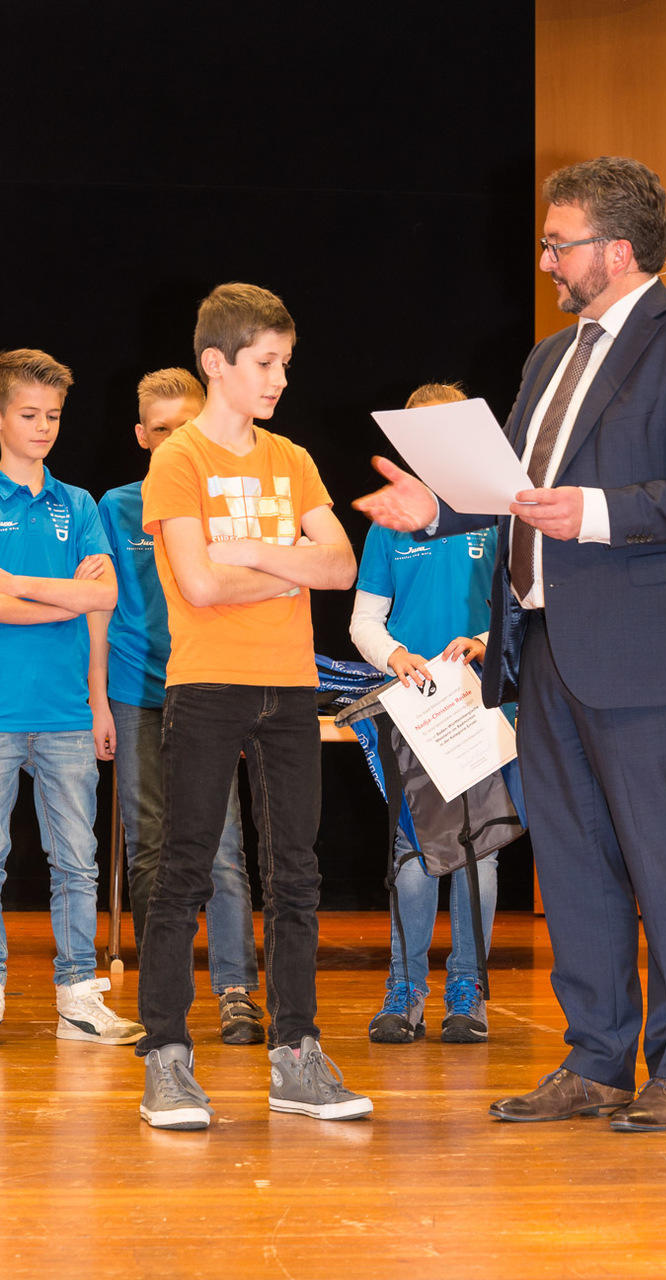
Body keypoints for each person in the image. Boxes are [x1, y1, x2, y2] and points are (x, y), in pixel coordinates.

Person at [355, 156, 666, 1132]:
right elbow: (516, 492)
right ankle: (596, 1058)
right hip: (543, 647)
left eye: (557, 243)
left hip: (651, 652)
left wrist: (598, 512)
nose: (544, 260)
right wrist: (436, 510)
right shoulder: (548, 358)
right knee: (574, 864)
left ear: (615, 250)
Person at [135, 282, 371, 1129]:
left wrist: (249, 549)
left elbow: (340, 566)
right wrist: (287, 561)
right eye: (266, 363)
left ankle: (296, 1055)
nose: (280, 379)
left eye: (286, 363)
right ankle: (167, 1058)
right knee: (184, 870)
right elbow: (198, 584)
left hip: (291, 684)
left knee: (297, 873)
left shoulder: (293, 458)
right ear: (217, 363)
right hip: (207, 684)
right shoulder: (179, 460)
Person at [88, 367, 264, 1046]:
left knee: (222, 846)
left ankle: (236, 990)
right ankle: (165, 997)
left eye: (185, 427)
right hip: (137, 693)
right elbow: (100, 608)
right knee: (151, 847)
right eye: (160, 429)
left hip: (210, 690)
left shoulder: (228, 502)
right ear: (141, 435)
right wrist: (99, 699)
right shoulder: (114, 508)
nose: (172, 440)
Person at [0, 348, 144, 1045]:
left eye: (53, 415)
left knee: (77, 863)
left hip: (66, 714)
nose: (43, 427)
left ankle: (79, 998)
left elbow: (105, 599)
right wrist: (69, 596)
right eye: (29, 414)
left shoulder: (78, 504)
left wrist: (99, 701)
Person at [350, 381, 498, 1045]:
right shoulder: (390, 520)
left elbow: (528, 602)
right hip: (414, 708)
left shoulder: (495, 512)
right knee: (412, 849)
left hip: (481, 705)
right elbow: (364, 620)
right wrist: (395, 655)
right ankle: (405, 989)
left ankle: (468, 990)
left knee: (478, 848)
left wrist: (486, 643)